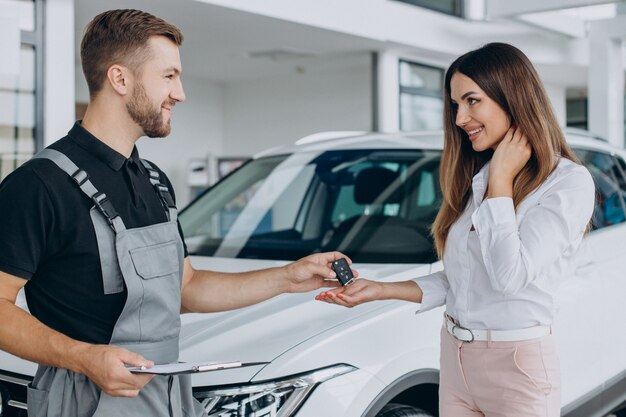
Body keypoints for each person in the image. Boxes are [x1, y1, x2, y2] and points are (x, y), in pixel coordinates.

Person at [0, 9, 354, 417]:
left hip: (166, 397)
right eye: (168, 76)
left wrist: (288, 278)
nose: (180, 93)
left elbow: (185, 288)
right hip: (82, 400)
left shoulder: (153, 179)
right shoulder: (40, 185)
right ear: (120, 79)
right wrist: (84, 358)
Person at [317, 42, 595, 417]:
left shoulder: (567, 183)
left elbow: (509, 277)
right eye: (455, 105)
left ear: (512, 97)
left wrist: (500, 181)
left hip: (517, 366)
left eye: (472, 101)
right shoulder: (478, 179)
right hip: (455, 355)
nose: (460, 118)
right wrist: (381, 290)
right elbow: (462, 281)